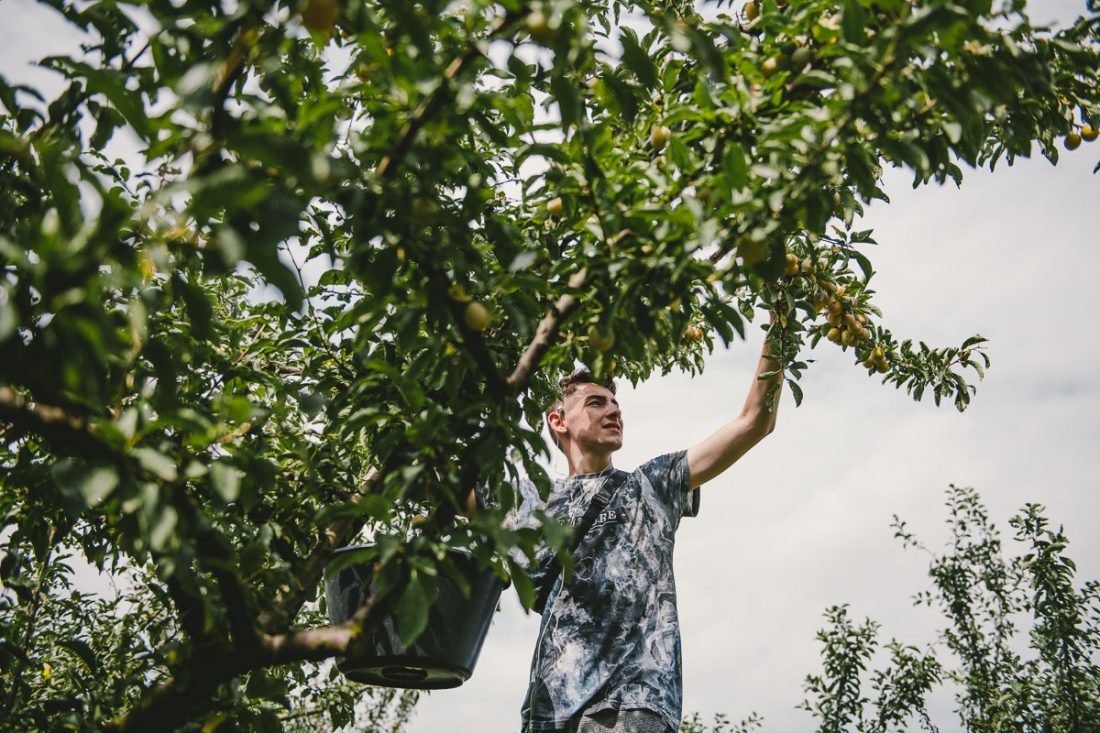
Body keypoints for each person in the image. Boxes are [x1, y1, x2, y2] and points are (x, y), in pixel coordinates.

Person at [510, 328, 783, 733]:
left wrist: (779, 327)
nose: (615, 411)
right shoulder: (533, 501)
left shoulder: (651, 485)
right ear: (558, 420)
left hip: (631, 705)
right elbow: (438, 483)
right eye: (596, 403)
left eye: (617, 404)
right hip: (550, 710)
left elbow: (754, 421)